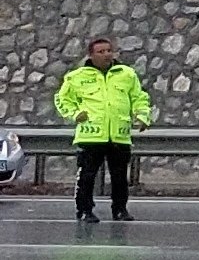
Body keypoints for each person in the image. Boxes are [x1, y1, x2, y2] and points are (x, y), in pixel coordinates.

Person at [55, 35, 154, 225]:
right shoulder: (77, 77)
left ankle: (120, 209)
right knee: (87, 175)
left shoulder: (126, 74)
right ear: (91, 55)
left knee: (119, 176)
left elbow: (139, 97)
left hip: (119, 135)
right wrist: (75, 114)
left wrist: (142, 116)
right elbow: (61, 99)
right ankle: (84, 210)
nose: (107, 54)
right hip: (91, 135)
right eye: (101, 52)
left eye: (109, 50)